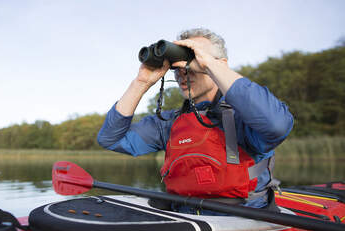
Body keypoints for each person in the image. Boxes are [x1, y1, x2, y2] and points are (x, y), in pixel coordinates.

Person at [97, 27, 294, 214]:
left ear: (220, 64)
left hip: (244, 217)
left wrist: (208, 65)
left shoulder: (246, 115)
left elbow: (277, 125)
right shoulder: (169, 122)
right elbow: (111, 139)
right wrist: (140, 83)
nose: (183, 73)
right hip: (184, 217)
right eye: (179, 67)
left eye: (192, 61)